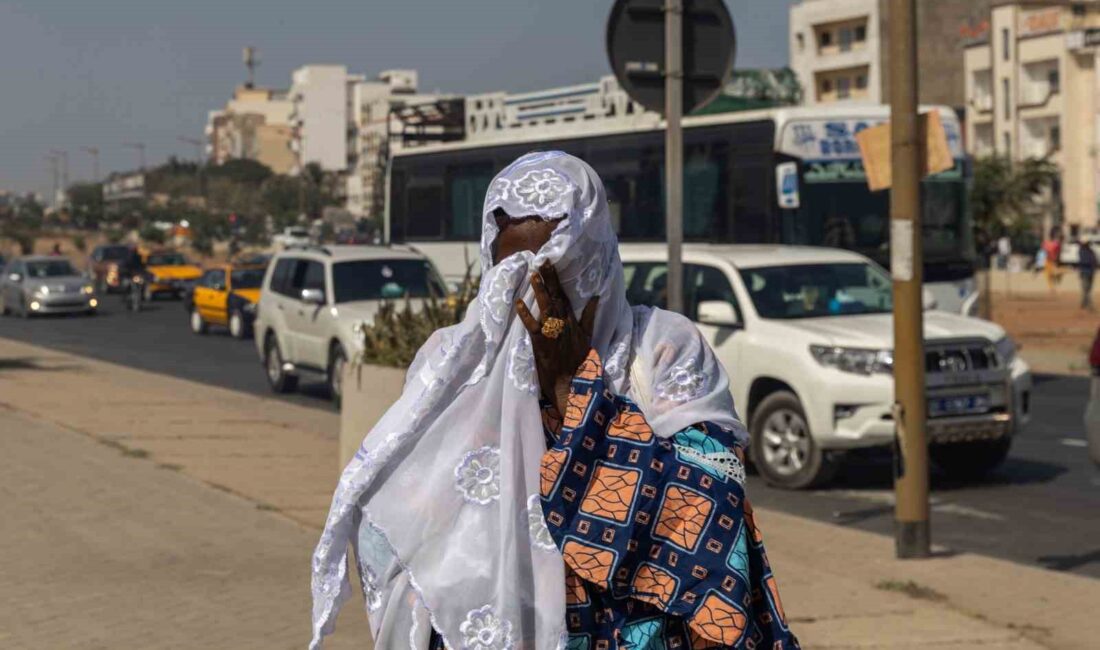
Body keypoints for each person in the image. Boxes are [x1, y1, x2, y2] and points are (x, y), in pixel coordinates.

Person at [310, 152, 800, 650]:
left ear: (596, 264)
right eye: (515, 282)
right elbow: (405, 524)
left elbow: (714, 509)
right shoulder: (448, 364)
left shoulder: (661, 349)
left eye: (557, 280)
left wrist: (572, 391)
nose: (542, 310)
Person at [1042, 227, 1063, 294]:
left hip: (1053, 260)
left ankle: (1053, 287)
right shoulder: (1048, 243)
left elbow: (1058, 252)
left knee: (1052, 274)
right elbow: (1045, 250)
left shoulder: (1055, 243)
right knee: (1048, 275)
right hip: (1049, 260)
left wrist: (1057, 258)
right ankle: (1051, 288)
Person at [1078, 237, 1097, 310]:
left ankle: (1084, 303)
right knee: (1086, 289)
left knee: (1087, 289)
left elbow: (1095, 261)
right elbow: (1085, 261)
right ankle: (1089, 305)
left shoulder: (1090, 251)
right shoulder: (1082, 251)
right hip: (1085, 272)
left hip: (1090, 272)